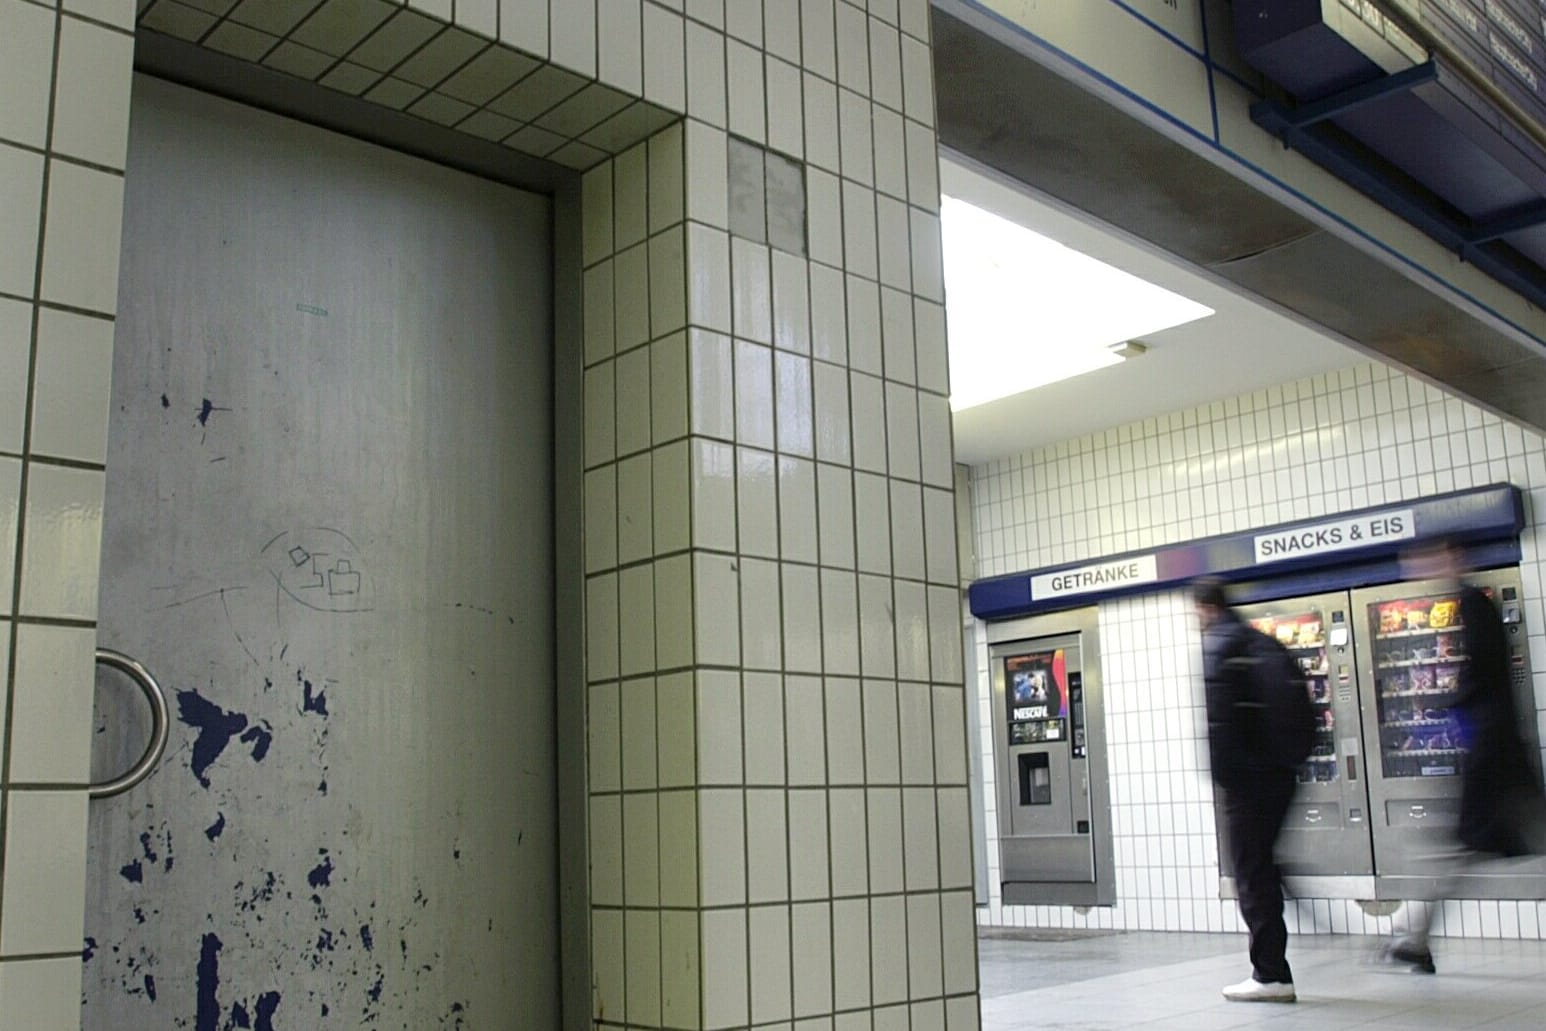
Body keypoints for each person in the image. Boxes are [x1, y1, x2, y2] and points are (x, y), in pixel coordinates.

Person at [1383, 538, 1545, 974]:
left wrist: (1450, 706)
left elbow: (1482, 677)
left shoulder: (1473, 603)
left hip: (1493, 754)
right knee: (1460, 846)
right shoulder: (1470, 602)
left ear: (1453, 557)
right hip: (1497, 750)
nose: (1421, 570)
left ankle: (1416, 940)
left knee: (1456, 847)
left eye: (1427, 560)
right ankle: (1416, 940)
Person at [1195, 576, 1298, 1003]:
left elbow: (1220, 724)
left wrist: (1225, 779)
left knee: (1251, 875)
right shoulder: (1260, 640)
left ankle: (1270, 974)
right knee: (1262, 868)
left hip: (1247, 782)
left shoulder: (1220, 645)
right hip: (1280, 775)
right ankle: (1273, 968)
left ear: (1203, 609)